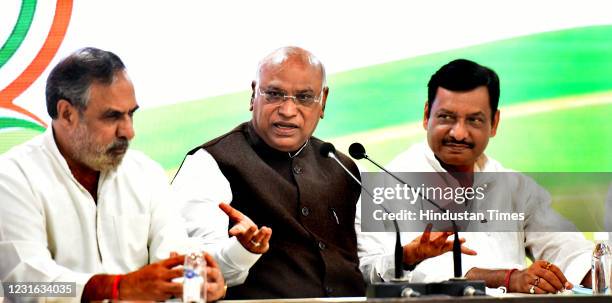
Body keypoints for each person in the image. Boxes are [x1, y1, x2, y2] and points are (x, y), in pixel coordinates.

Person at [0, 47, 227, 301]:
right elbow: (22, 286)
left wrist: (196, 282)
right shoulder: (12, 177)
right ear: (67, 114)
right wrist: (114, 288)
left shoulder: (146, 173)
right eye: (112, 117)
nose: (129, 132)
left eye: (131, 114)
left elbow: (173, 261)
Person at [375, 59, 594, 293]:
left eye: (474, 120)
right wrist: (508, 278)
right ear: (427, 115)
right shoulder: (386, 185)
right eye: (446, 117)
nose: (459, 133)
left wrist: (597, 271)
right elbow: (377, 271)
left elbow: (568, 249)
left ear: (494, 123)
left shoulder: (515, 187)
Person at [172, 46, 367, 299]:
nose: (287, 110)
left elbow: (370, 263)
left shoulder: (347, 168)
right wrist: (240, 251)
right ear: (254, 95)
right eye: (274, 94)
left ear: (323, 101)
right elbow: (190, 269)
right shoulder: (208, 163)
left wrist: (405, 257)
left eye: (304, 97)